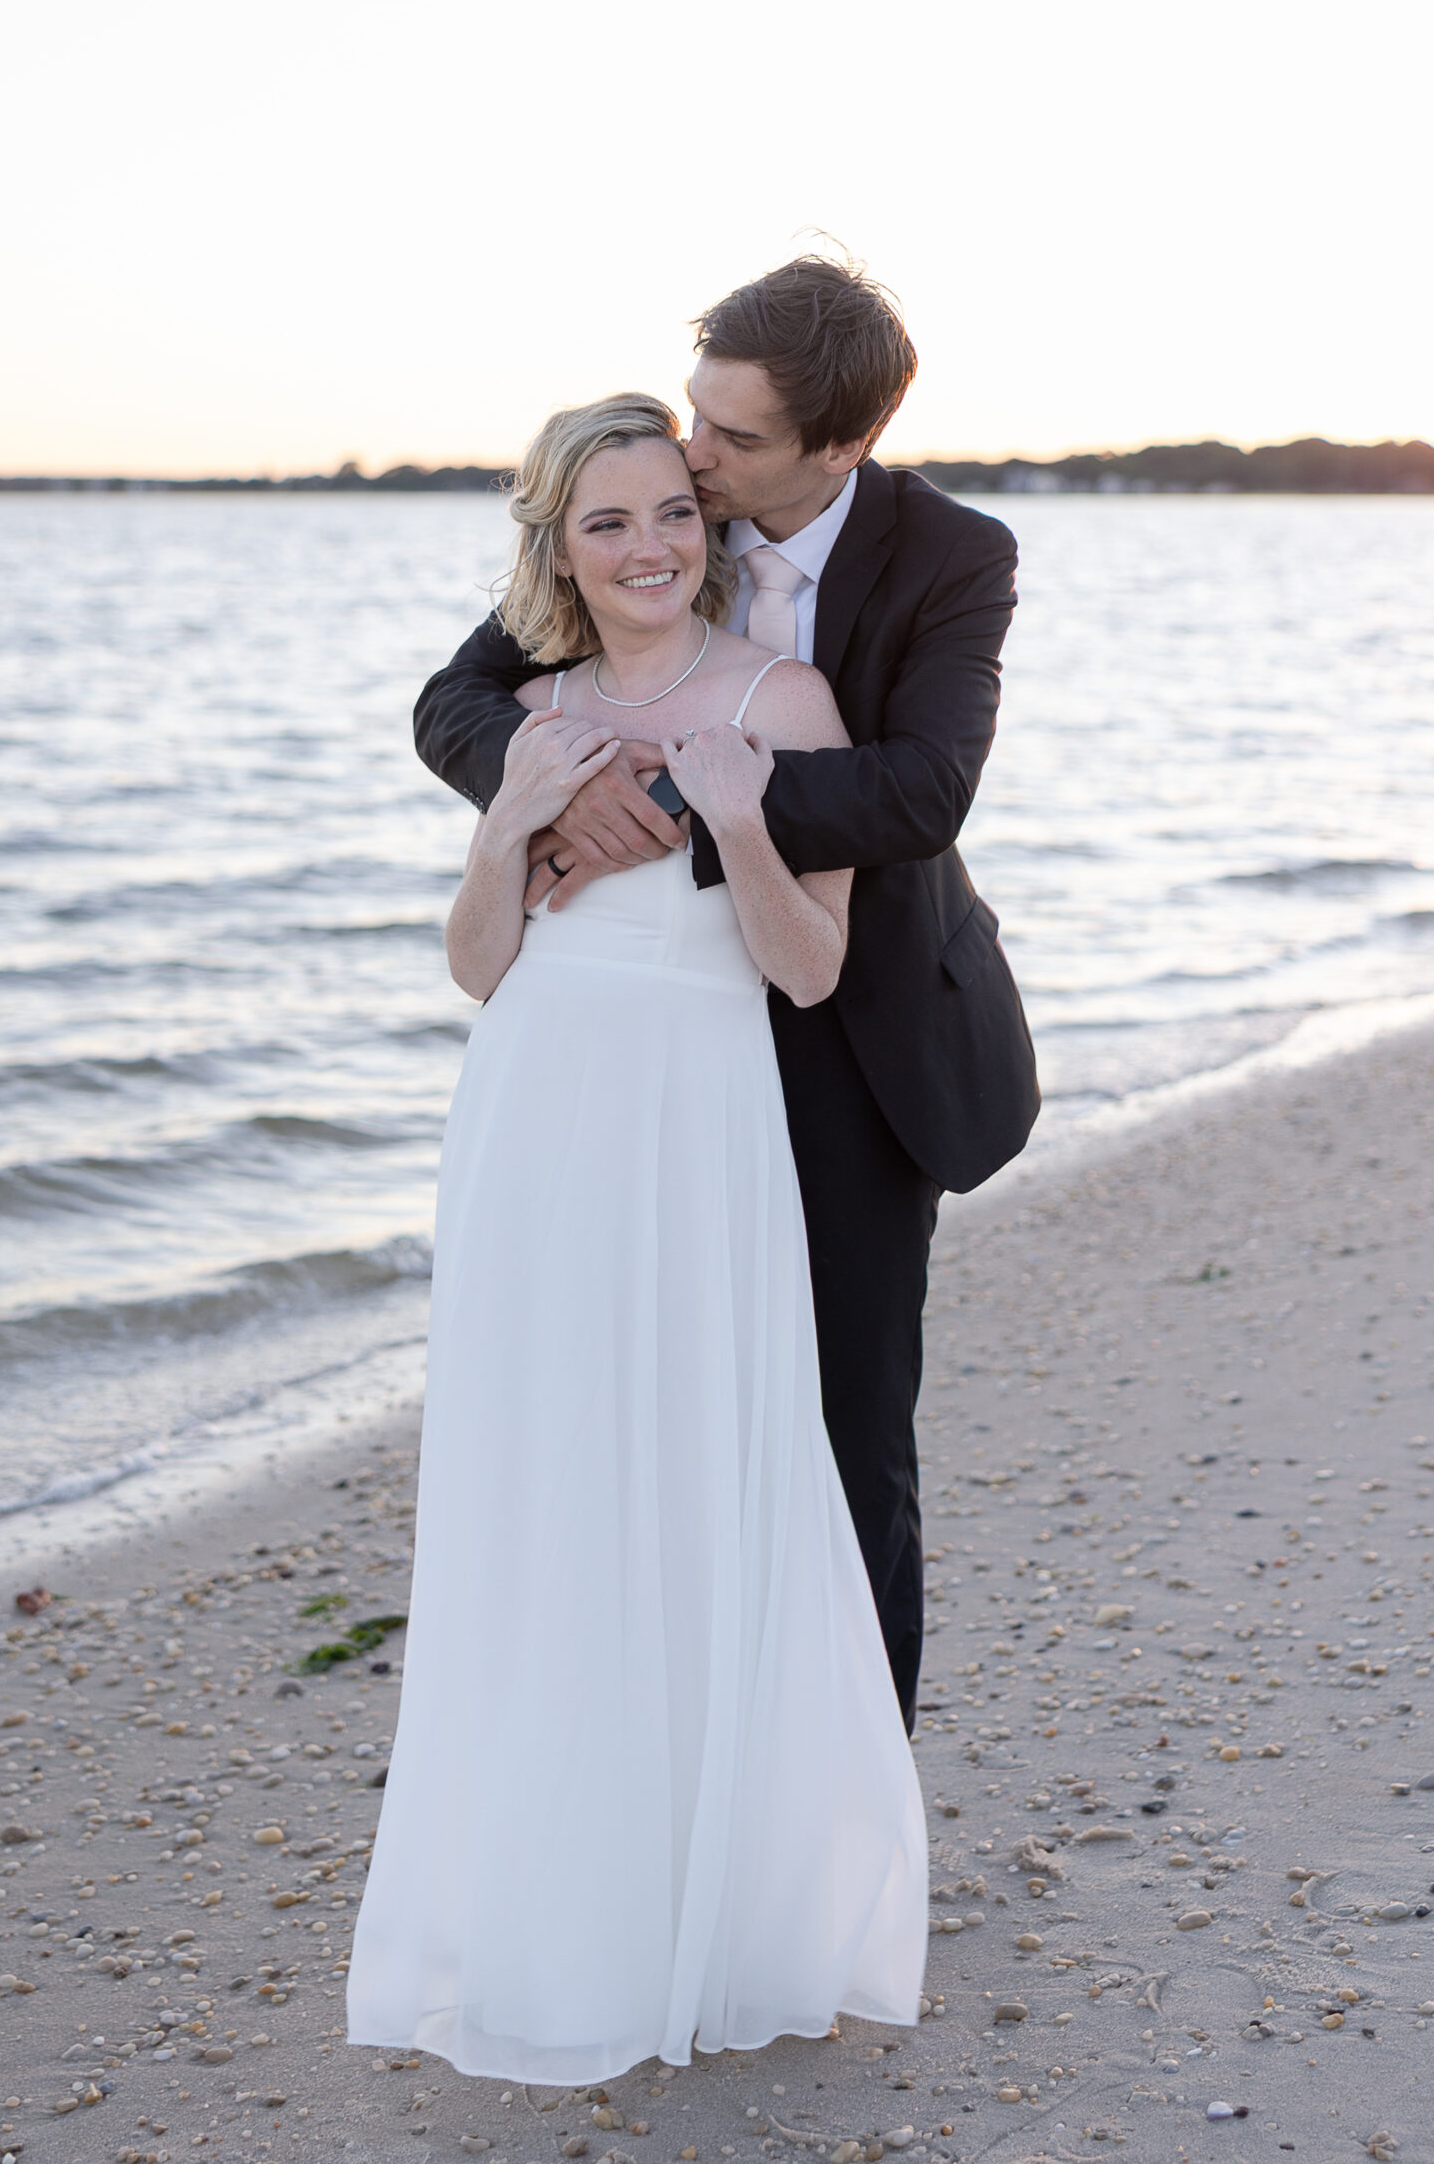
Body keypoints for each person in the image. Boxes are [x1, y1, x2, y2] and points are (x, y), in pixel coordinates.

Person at [347, 394, 926, 2080]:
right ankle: (558, 1896)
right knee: (549, 1489)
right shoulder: (524, 712)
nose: (650, 546)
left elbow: (805, 971)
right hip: (534, 1123)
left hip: (700, 1114)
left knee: (696, 1468)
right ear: (557, 545)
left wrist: (744, 816)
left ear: (709, 519)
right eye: (605, 524)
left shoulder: (786, 697)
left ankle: (717, 1895)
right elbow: (476, 965)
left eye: (670, 510)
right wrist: (506, 812)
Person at [414, 257, 1040, 1727]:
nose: (693, 458)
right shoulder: (650, 520)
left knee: (838, 1432)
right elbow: (456, 700)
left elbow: (926, 788)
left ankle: (844, 1805)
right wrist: (541, 805)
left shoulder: (950, 555)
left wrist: (672, 816)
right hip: (630, 1047)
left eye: (732, 442)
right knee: (631, 1413)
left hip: (854, 1027)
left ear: (840, 446)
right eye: (696, 416)